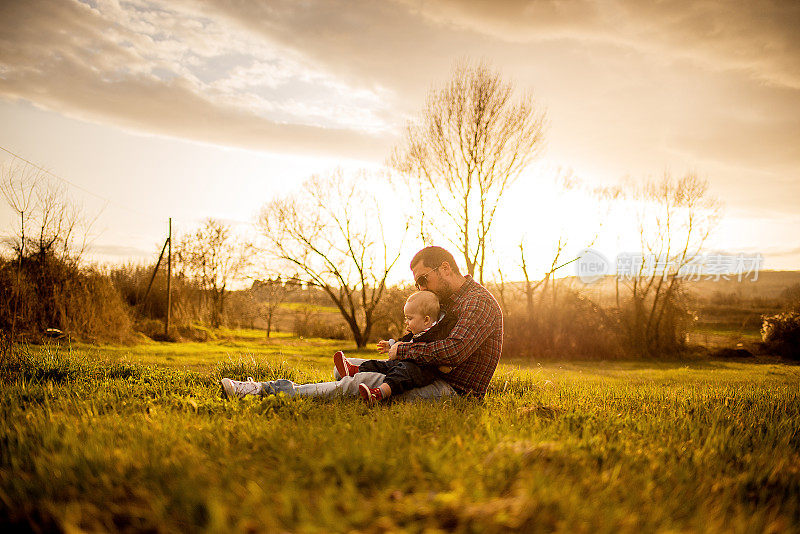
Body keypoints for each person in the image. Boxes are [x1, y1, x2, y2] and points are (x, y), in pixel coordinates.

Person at [219, 246, 503, 401]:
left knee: (355, 381)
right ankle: (346, 391)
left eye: (422, 280)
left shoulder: (477, 302)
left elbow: (453, 352)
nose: (420, 289)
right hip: (426, 371)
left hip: (453, 391)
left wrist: (401, 352)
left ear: (445, 268)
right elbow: (433, 344)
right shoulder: (450, 302)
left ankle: (263, 390)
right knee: (342, 367)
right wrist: (406, 343)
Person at [334, 289, 458, 403]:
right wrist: (391, 345)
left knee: (400, 374)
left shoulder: (435, 334)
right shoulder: (416, 332)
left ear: (426, 320)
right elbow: (404, 342)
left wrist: (444, 365)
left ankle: (379, 393)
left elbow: (440, 354)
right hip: (406, 363)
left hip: (420, 372)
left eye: (409, 318)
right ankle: (354, 370)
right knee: (383, 365)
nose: (406, 322)